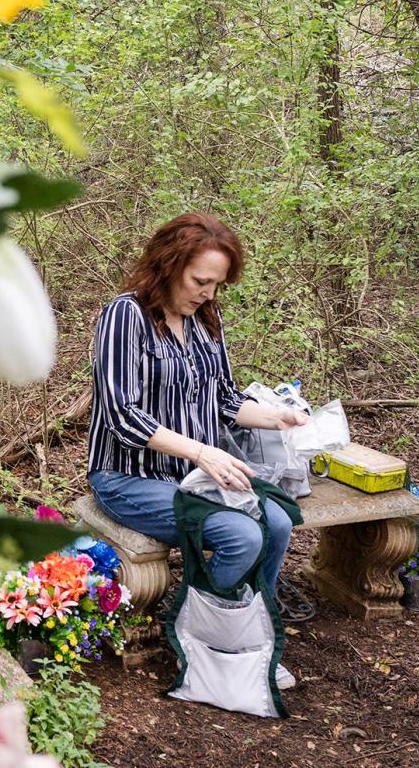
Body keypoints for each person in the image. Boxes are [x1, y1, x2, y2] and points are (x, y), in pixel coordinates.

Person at [86, 211, 308, 689]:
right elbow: (122, 416)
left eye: (217, 284)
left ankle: (249, 634)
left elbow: (226, 398)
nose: (208, 293)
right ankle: (211, 645)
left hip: (192, 477)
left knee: (277, 522)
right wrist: (201, 453)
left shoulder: (207, 318)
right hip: (129, 477)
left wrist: (278, 416)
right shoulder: (125, 316)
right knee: (242, 536)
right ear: (168, 265)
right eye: (200, 281)